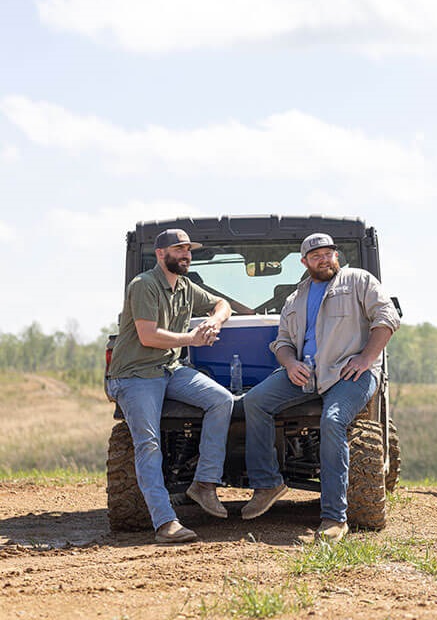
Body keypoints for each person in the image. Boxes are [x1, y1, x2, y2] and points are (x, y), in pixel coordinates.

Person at [240, 232, 400, 544]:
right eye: (316, 256)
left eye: (328, 253)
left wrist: (367, 358)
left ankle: (334, 519)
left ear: (336, 255)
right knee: (254, 401)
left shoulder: (357, 280)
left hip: (349, 373)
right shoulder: (295, 299)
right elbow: (282, 343)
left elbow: (387, 318)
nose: (324, 259)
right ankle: (268, 483)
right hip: (305, 373)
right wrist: (290, 364)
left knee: (333, 420)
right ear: (304, 262)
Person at [106, 229, 234, 543]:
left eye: (189, 249)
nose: (186, 255)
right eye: (179, 249)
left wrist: (214, 321)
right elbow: (149, 336)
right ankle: (165, 523)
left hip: (169, 369)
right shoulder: (143, 285)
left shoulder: (187, 288)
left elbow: (222, 303)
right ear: (160, 254)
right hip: (136, 375)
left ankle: (203, 484)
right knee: (148, 445)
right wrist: (192, 338)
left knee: (222, 400)